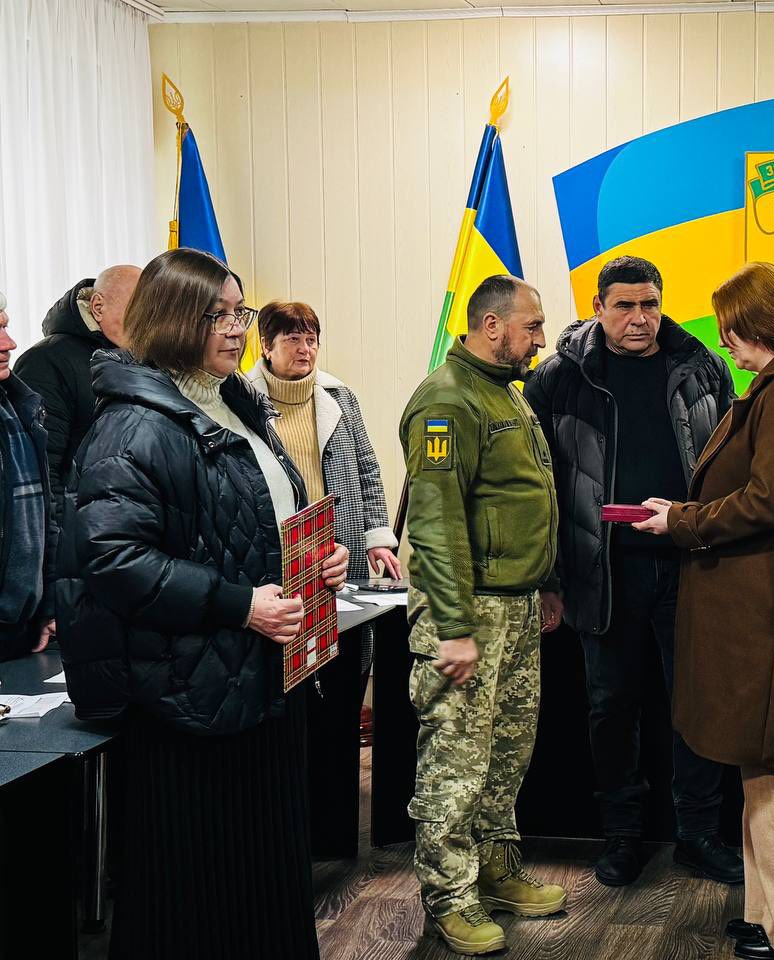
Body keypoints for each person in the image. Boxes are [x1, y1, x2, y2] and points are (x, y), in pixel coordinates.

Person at [55, 248, 350, 960]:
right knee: (195, 890)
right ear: (171, 319)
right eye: (216, 315)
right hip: (190, 691)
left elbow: (257, 519)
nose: (235, 329)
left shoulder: (233, 403)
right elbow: (113, 558)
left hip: (259, 678)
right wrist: (238, 605)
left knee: (261, 875)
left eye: (239, 312)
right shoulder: (135, 424)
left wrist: (317, 558)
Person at [634, 262, 774, 960]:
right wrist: (685, 511)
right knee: (765, 764)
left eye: (730, 328)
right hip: (769, 606)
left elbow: (770, 500)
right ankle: (771, 915)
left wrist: (683, 522)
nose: (724, 341)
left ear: (756, 324)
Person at [524, 256, 742, 888]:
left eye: (649, 304)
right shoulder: (559, 376)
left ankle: (699, 834)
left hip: (692, 566)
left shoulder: (703, 367)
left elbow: (731, 466)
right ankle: (623, 835)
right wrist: (549, 578)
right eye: (624, 306)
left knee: (696, 702)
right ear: (597, 308)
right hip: (602, 571)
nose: (639, 318)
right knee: (611, 707)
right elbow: (536, 484)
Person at [400, 274, 566, 956]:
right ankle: (449, 896)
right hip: (467, 609)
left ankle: (494, 870)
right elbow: (434, 521)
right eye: (532, 326)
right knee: (455, 759)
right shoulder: (446, 401)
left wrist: (544, 583)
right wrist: (454, 626)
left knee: (504, 750)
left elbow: (522, 499)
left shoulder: (505, 391)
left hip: (516, 603)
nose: (541, 339)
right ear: (491, 326)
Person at [246, 299, 401, 857]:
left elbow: (368, 469)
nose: (305, 348)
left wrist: (379, 536)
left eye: (311, 338)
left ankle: (335, 822)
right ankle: (293, 815)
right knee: (293, 681)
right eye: (292, 339)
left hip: (343, 550)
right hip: (281, 558)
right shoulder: (244, 400)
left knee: (344, 670)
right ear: (265, 345)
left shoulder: (339, 396)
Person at [14, 265, 140, 533]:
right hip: (83, 538)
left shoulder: (141, 358)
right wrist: (61, 544)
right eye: (136, 309)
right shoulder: (46, 361)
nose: (146, 321)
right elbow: (41, 468)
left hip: (129, 528)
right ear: (98, 307)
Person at [0, 291, 57, 661]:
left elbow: (45, 518)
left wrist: (47, 606)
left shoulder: (21, 407)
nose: (10, 344)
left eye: (5, 328)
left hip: (20, 634)